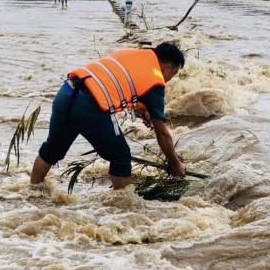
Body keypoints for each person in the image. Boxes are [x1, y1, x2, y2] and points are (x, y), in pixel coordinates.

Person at [31, 43, 187, 190]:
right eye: (173, 74)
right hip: (89, 108)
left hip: (66, 93)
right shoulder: (155, 83)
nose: (169, 79)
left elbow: (120, 83)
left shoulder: (133, 53)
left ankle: (33, 192)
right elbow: (162, 134)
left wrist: (143, 109)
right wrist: (175, 164)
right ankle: (121, 208)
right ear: (166, 68)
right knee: (121, 156)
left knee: (51, 150)